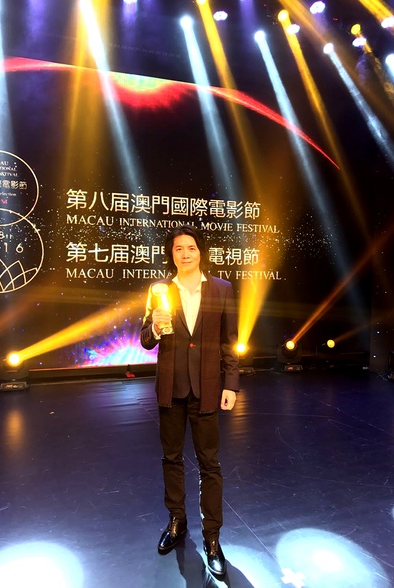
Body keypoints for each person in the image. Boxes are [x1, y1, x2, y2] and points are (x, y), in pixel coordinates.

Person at [140, 224, 240, 578]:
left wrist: (231, 383)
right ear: (171, 254)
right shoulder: (159, 290)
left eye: (191, 248)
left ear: (201, 252)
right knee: (171, 458)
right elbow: (145, 340)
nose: (185, 253)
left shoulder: (222, 289)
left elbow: (229, 341)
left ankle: (212, 538)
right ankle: (177, 521)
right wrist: (155, 327)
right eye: (178, 248)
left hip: (207, 388)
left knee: (210, 464)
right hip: (171, 389)